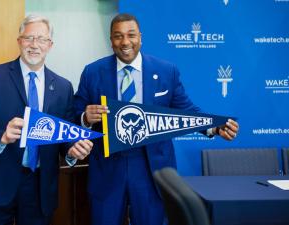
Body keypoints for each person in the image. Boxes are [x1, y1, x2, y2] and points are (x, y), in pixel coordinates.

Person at [74, 13, 239, 225]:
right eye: (118, 36)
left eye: (131, 35)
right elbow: (75, 114)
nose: (125, 42)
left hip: (151, 170)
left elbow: (187, 111)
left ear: (140, 37)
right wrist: (86, 118)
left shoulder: (166, 71)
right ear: (111, 40)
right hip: (107, 169)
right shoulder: (92, 72)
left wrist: (214, 127)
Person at [0, 14, 93, 225]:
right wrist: (2, 137)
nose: (34, 45)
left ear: (50, 45)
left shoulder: (63, 87)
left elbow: (64, 136)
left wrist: (72, 150)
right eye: (28, 38)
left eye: (41, 39)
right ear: (19, 41)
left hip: (39, 186)